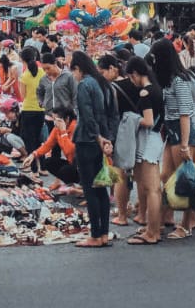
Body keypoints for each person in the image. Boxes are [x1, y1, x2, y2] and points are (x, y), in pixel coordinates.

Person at [150, 38, 195, 240]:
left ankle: (186, 224)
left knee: (185, 181)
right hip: (172, 132)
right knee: (166, 176)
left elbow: (186, 113)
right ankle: (163, 218)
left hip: (181, 132)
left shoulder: (180, 80)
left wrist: (185, 144)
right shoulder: (169, 79)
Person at [69, 50, 114, 248]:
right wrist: (106, 139)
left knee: (90, 189)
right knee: (100, 188)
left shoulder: (85, 85)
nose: (73, 76)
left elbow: (87, 116)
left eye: (73, 72)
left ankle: (96, 235)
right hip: (100, 141)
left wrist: (97, 137)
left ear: (78, 68)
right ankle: (103, 233)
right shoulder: (101, 83)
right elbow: (107, 114)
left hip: (87, 141)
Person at [123, 56, 165, 245]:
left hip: (148, 140)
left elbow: (147, 121)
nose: (132, 81)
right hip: (155, 139)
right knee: (153, 188)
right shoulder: (157, 89)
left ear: (135, 74)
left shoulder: (146, 93)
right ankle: (153, 227)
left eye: (131, 78)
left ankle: (153, 232)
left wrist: (131, 118)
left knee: (152, 188)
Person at [97, 54, 137, 228]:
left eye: (103, 71)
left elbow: (109, 115)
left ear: (113, 68)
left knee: (121, 174)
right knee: (138, 174)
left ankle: (122, 214)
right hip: (138, 130)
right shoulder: (135, 83)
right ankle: (140, 210)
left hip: (121, 133)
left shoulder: (111, 88)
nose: (102, 75)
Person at [23, 107, 78, 190]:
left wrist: (63, 132)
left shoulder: (76, 128)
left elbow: (70, 151)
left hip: (82, 167)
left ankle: (84, 189)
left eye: (57, 119)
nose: (54, 122)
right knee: (48, 162)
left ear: (67, 119)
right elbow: (48, 145)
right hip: (72, 163)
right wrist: (33, 155)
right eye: (53, 119)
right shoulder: (57, 129)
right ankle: (71, 185)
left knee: (65, 170)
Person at [18, 46, 47, 173]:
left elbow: (23, 95)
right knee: (40, 139)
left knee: (30, 141)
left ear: (22, 60)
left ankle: (34, 169)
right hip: (41, 110)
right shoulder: (42, 72)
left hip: (28, 110)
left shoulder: (24, 76)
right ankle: (43, 168)